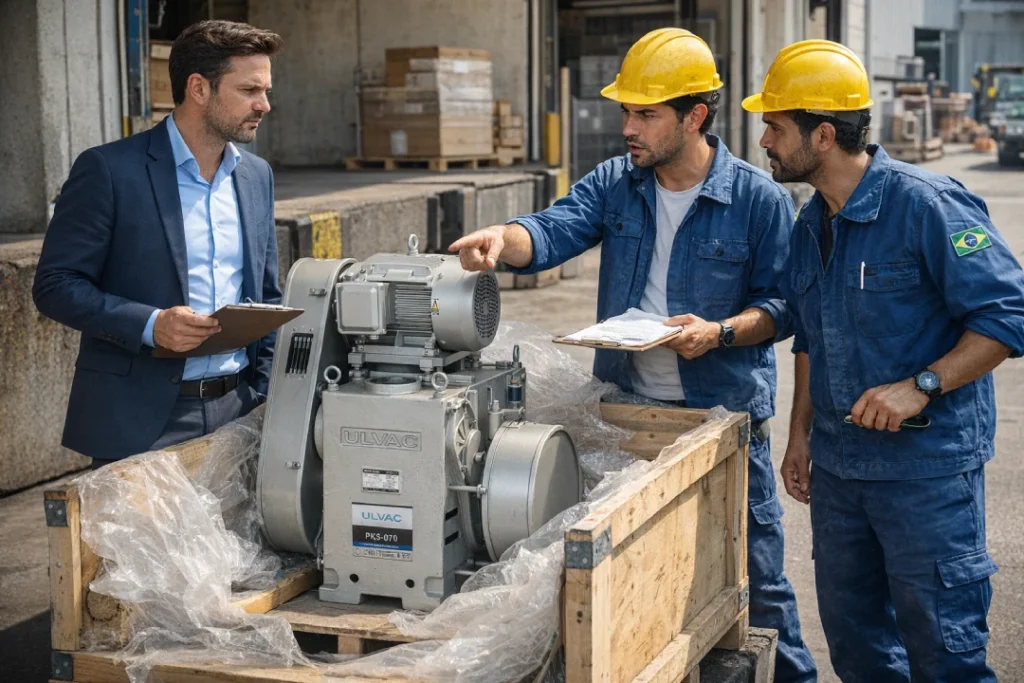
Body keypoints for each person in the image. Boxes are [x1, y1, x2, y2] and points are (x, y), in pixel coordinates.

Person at [451, 28, 816, 683]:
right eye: (626, 111)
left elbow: (785, 306)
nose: (628, 127)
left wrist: (720, 331)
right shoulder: (618, 184)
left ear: (694, 116)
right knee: (638, 572)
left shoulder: (758, 200)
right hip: (630, 413)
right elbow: (553, 228)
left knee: (754, 576)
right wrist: (501, 239)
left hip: (722, 414)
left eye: (645, 113)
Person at [745, 39, 1024, 682]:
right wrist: (799, 435)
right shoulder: (810, 222)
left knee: (944, 653)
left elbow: (1005, 317)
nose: (764, 140)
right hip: (841, 476)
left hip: (925, 476)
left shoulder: (926, 203)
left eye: (774, 126)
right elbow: (812, 336)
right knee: (859, 649)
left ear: (821, 135)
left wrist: (922, 385)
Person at [33, 20, 284, 469]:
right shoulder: (109, 170)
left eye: (265, 90)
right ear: (199, 89)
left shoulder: (256, 175)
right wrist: (150, 324)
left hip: (240, 412)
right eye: (250, 90)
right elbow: (55, 284)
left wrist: (263, 392)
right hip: (140, 420)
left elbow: (266, 295)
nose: (264, 104)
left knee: (237, 543)